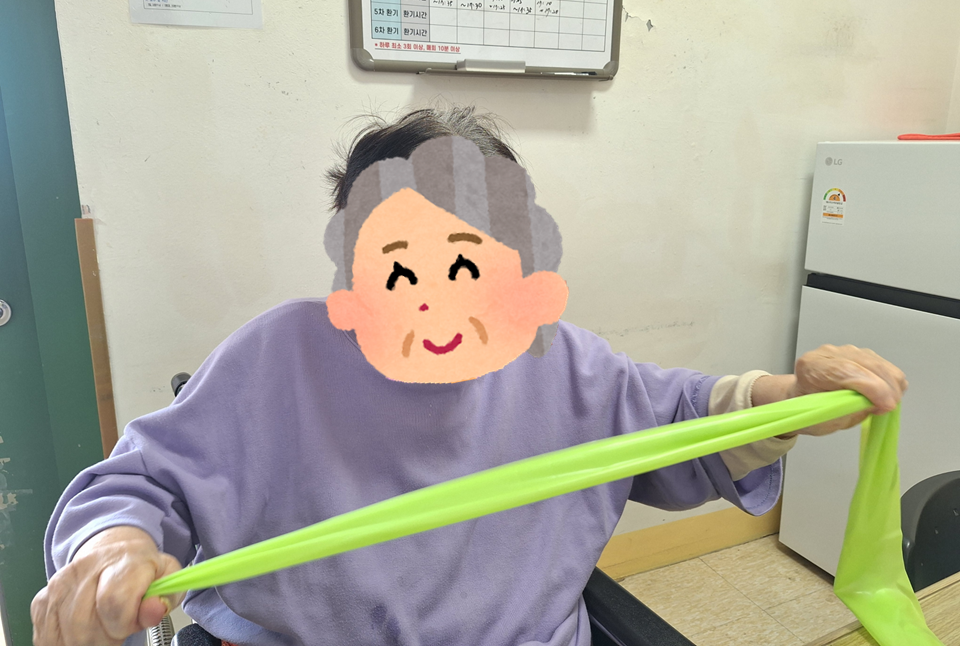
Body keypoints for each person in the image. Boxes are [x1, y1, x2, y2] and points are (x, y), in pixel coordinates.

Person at [32, 106, 907, 646]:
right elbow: (137, 485)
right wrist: (113, 549)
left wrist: (787, 402)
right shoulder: (278, 357)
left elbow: (683, 425)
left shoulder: (564, 361)